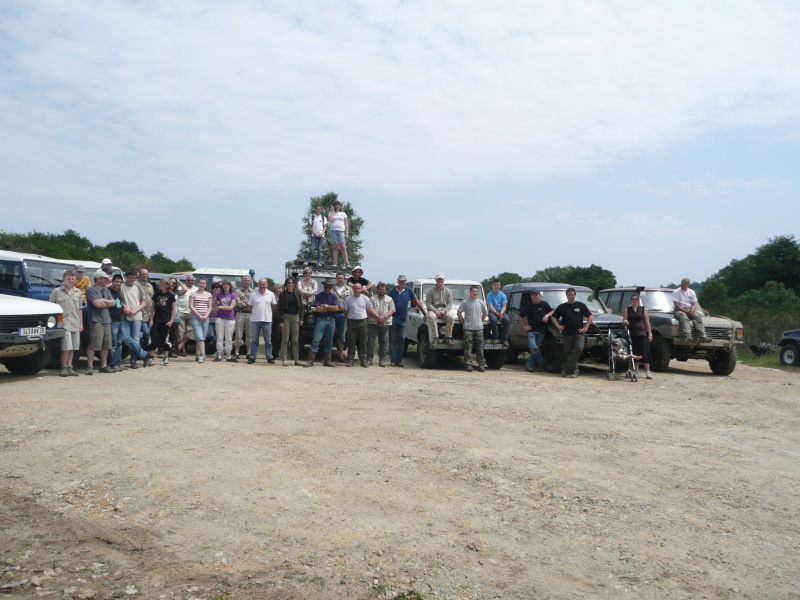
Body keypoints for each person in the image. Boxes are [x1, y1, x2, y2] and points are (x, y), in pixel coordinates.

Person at [551, 287, 593, 378]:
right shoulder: (562, 307)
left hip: (579, 333)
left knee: (579, 348)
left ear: (575, 295)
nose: (571, 297)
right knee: (568, 353)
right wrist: (558, 326)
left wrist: (586, 327)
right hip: (566, 333)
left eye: (572, 295)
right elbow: (553, 317)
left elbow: (590, 316)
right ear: (566, 296)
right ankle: (574, 371)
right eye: (569, 295)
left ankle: (564, 367)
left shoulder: (581, 305)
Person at [48, 269, 82, 377]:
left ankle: (69, 366)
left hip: (75, 322)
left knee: (73, 346)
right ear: (64, 279)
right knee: (66, 346)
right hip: (63, 323)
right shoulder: (57, 291)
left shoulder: (78, 292)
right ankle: (63, 367)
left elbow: (80, 309)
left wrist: (81, 324)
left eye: (73, 279)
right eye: (68, 278)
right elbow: (51, 307)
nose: (71, 281)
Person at [387, 275, 425, 367]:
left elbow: (416, 302)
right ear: (397, 281)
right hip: (393, 318)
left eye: (403, 281)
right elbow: (386, 302)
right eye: (400, 281)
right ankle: (393, 359)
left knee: (402, 339)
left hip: (403, 319)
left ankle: (399, 360)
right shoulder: (392, 291)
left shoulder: (409, 290)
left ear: (406, 282)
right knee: (392, 339)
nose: (402, 283)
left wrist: (424, 312)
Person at [120, 270, 154, 369]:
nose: (132, 280)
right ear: (126, 277)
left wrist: (135, 310)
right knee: (125, 337)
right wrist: (124, 306)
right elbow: (117, 299)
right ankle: (144, 354)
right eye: (130, 278)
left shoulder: (137, 287)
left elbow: (144, 302)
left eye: (134, 278)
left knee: (136, 339)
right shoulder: (121, 286)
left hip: (137, 316)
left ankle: (133, 360)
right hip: (125, 316)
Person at [85, 269, 115, 375]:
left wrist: (104, 302)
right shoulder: (91, 290)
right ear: (98, 279)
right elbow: (96, 304)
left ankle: (103, 365)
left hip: (107, 320)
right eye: (104, 278)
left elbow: (113, 303)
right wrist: (107, 303)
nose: (107, 280)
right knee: (94, 344)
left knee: (106, 345)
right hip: (96, 320)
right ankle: (89, 366)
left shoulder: (106, 290)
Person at [304, 279, 339, 368]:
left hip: (331, 320)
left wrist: (326, 306)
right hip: (321, 319)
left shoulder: (334, 296)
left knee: (329, 341)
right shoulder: (319, 296)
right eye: (326, 285)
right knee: (316, 339)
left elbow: (336, 309)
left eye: (329, 286)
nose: (328, 287)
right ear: (324, 286)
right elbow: (318, 309)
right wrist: (330, 308)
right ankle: (311, 360)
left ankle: (327, 360)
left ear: (331, 287)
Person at [518, 290, 553, 372]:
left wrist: (546, 316)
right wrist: (525, 326)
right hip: (531, 332)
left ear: (539, 296)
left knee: (536, 349)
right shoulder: (528, 307)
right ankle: (543, 362)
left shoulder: (544, 304)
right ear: (531, 297)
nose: (535, 297)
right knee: (534, 348)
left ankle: (529, 366)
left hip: (542, 331)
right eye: (533, 295)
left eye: (536, 295)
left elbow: (552, 311)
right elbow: (520, 317)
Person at [458, 285, 488, 372]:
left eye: (476, 291)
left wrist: (480, 320)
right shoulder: (465, 302)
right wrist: (462, 320)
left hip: (479, 328)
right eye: (473, 291)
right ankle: (468, 364)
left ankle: (481, 364)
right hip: (468, 328)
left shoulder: (481, 302)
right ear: (470, 292)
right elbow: (459, 312)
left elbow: (485, 313)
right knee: (468, 347)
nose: (475, 293)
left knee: (480, 347)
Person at [623, 293, 654, 379]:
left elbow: (647, 322)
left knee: (645, 352)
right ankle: (636, 370)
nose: (634, 301)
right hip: (632, 334)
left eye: (636, 299)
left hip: (642, 334)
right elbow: (624, 320)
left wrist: (650, 334)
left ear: (638, 301)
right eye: (633, 299)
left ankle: (648, 372)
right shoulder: (627, 310)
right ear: (631, 300)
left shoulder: (643, 309)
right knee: (635, 352)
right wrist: (625, 321)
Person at [247, 278, 277, 364]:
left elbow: (274, 306)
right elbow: (249, 306)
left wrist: (268, 313)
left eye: (264, 284)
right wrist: (255, 313)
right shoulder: (253, 294)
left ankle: (269, 357)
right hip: (255, 320)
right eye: (261, 284)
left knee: (268, 341)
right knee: (254, 341)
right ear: (258, 285)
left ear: (267, 285)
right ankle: (252, 357)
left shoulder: (271, 294)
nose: (262, 286)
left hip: (267, 320)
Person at [149, 278, 176, 365]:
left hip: (166, 321)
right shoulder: (157, 294)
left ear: (166, 285)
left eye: (162, 283)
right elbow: (152, 307)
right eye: (160, 283)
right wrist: (151, 319)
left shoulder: (171, 295)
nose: (160, 285)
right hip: (156, 320)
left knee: (166, 340)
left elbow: (174, 309)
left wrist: (171, 320)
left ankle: (166, 357)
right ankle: (151, 357)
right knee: (153, 339)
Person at [367, 282, 395, 367]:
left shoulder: (390, 299)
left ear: (386, 290)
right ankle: (370, 359)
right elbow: (370, 309)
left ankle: (382, 360)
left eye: (383, 289)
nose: (381, 290)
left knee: (384, 343)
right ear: (377, 290)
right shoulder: (372, 298)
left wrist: (384, 317)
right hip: (373, 323)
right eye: (380, 289)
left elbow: (392, 310)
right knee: (371, 342)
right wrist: (378, 317)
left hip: (385, 324)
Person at [344, 282, 371, 367]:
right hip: (352, 321)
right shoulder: (348, 299)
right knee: (351, 341)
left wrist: (364, 318)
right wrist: (350, 317)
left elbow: (369, 310)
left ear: (361, 289)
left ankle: (363, 360)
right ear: (353, 289)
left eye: (359, 288)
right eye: (355, 288)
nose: (357, 290)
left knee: (363, 341)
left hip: (363, 321)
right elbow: (345, 311)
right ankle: (350, 359)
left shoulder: (365, 298)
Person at [278, 278, 303, 366]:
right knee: (285, 339)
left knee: (295, 339)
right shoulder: (283, 294)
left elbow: (301, 307)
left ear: (294, 284)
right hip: (286, 317)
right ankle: (284, 359)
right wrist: (280, 321)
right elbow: (279, 308)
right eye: (289, 283)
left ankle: (296, 359)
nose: (290, 284)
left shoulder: (297, 293)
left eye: (292, 283)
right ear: (286, 284)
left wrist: (301, 318)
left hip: (296, 317)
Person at [426, 274, 455, 345]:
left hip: (444, 309)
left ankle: (447, 338)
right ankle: (436, 338)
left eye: (441, 279)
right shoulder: (430, 291)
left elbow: (450, 303)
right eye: (438, 279)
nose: (440, 281)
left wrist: (444, 310)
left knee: (451, 318)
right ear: (435, 280)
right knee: (432, 317)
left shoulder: (448, 291)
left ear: (444, 280)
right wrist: (435, 311)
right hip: (433, 309)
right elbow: (428, 303)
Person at [189, 278, 213, 363]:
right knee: (199, 336)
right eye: (200, 283)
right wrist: (198, 315)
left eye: (204, 283)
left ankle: (197, 354)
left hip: (205, 318)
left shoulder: (209, 294)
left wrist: (206, 315)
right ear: (198, 283)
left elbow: (210, 306)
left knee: (202, 337)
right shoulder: (193, 294)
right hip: (195, 317)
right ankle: (203, 355)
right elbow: (191, 306)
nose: (202, 285)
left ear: (206, 285)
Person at [213, 280, 237, 362]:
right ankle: (219, 355)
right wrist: (216, 307)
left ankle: (228, 356)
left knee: (229, 337)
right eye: (224, 285)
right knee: (219, 337)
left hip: (230, 318)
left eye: (228, 285)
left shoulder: (233, 295)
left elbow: (231, 307)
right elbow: (214, 303)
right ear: (222, 286)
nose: (226, 286)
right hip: (220, 318)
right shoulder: (219, 295)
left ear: (230, 286)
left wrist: (220, 307)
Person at [175, 275, 198, 357]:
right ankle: (183, 349)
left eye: (192, 280)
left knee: (191, 331)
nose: (190, 281)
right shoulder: (180, 288)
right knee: (180, 332)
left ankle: (181, 344)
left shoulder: (196, 289)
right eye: (188, 280)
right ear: (186, 280)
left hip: (192, 313)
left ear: (194, 281)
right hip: (181, 312)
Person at [332, 272, 352, 362]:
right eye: (338, 278)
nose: (340, 279)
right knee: (330, 334)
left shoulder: (349, 289)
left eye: (342, 278)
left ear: (344, 279)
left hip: (343, 314)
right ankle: (327, 356)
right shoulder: (331, 288)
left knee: (342, 335)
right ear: (336, 279)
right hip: (332, 313)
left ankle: (341, 356)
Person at [107, 273, 125, 372]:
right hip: (112, 321)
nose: (118, 284)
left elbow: (118, 303)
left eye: (120, 282)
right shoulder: (108, 291)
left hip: (120, 320)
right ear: (112, 281)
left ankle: (119, 363)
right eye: (116, 281)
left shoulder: (118, 291)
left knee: (119, 343)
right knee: (113, 345)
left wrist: (124, 307)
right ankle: (113, 364)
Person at [233, 274, 253, 360]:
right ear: (242, 281)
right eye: (246, 280)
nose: (247, 282)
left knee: (250, 334)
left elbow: (254, 303)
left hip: (250, 314)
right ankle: (237, 353)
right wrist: (247, 303)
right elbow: (236, 303)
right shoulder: (237, 291)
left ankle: (249, 353)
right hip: (239, 313)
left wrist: (245, 303)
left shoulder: (253, 292)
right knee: (238, 333)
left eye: (249, 281)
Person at [486, 279, 510, 346]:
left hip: (501, 311)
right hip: (492, 311)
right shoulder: (489, 295)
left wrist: (501, 313)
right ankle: (495, 338)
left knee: (507, 320)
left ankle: (504, 339)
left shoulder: (503, 295)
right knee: (494, 320)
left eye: (498, 285)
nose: (496, 286)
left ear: (500, 286)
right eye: (495, 285)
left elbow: (504, 306)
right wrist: (496, 313)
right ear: (492, 286)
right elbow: (490, 306)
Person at [135, 268, 154, 349]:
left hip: (149, 313)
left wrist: (153, 314)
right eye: (143, 274)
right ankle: (144, 348)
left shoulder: (150, 285)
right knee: (145, 333)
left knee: (148, 333)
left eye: (146, 274)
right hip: (140, 313)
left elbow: (152, 299)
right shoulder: (135, 284)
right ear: (139, 275)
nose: (144, 276)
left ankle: (145, 348)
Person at [328, 200, 350, 268]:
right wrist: (332, 211)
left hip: (341, 231)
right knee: (335, 247)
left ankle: (347, 263)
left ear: (340, 206)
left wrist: (346, 233)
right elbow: (330, 220)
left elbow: (346, 223)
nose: (337, 206)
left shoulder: (343, 213)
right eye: (336, 205)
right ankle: (335, 262)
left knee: (343, 247)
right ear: (334, 206)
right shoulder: (331, 213)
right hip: (333, 231)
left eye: (338, 205)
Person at [271, 282, 284, 358]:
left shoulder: (284, 297)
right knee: (271, 336)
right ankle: (271, 352)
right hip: (271, 318)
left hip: (280, 319)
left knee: (278, 337)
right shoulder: (272, 296)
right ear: (275, 289)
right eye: (277, 288)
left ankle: (275, 353)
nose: (278, 290)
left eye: (280, 288)